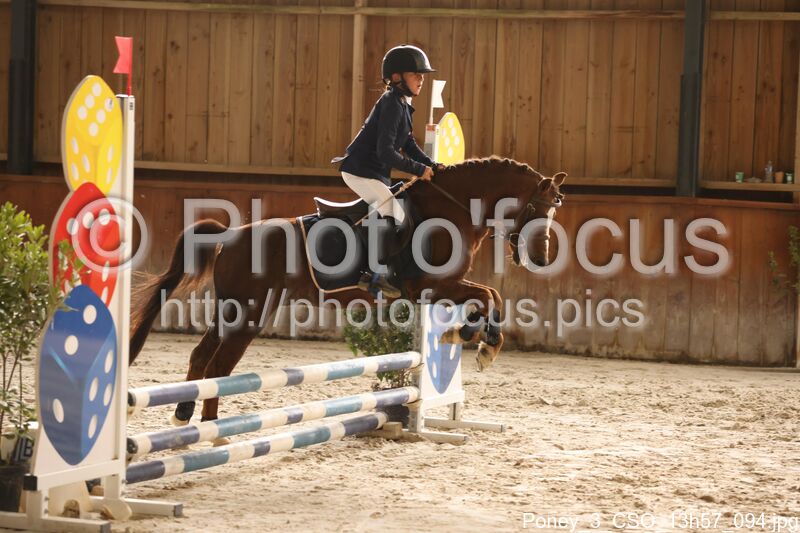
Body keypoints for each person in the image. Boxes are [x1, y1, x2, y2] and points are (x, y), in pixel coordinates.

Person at [332, 44, 441, 298]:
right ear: (396, 77)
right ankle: (372, 274)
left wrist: (432, 166)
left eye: (422, 75)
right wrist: (419, 169)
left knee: (397, 212)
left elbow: (409, 145)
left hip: (373, 173)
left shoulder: (402, 103)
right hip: (359, 171)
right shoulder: (392, 103)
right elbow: (386, 153)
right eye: (416, 74)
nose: (421, 79)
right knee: (395, 212)